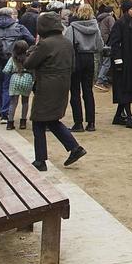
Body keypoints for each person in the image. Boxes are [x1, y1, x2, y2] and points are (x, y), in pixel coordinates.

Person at [23, 11, 85, 171]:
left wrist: (30, 52)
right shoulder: (66, 42)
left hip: (46, 85)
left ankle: (40, 160)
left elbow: (29, 64)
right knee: (51, 119)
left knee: (38, 121)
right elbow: (73, 66)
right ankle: (74, 148)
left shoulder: (45, 44)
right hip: (63, 83)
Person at [0, 7, 35, 123]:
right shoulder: (19, 27)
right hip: (13, 59)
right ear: (10, 15)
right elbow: (31, 39)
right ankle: (5, 112)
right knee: (7, 86)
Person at [64, 3, 102, 132]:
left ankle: (78, 123)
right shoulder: (95, 28)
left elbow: (67, 45)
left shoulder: (72, 28)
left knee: (75, 91)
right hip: (89, 58)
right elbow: (100, 46)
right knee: (88, 91)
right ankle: (91, 123)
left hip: (76, 58)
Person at [3, 41, 34, 130]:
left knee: (13, 102)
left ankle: (10, 123)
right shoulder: (29, 58)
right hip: (27, 79)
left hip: (15, 79)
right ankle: (23, 122)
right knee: (25, 101)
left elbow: (6, 70)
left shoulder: (13, 59)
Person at [95, 4, 115, 88]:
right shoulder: (110, 18)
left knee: (101, 62)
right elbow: (113, 30)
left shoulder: (99, 18)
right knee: (107, 63)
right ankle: (100, 80)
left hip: (99, 42)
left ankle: (101, 78)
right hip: (108, 42)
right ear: (111, 12)